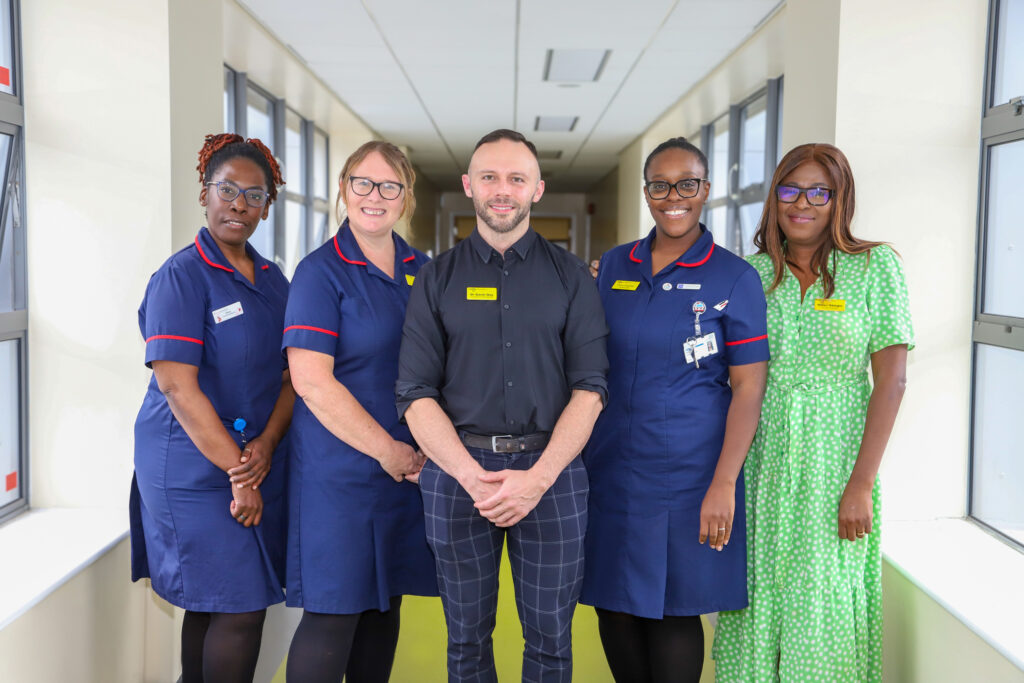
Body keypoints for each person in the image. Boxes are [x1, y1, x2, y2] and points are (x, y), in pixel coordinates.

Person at [396, 129, 609, 682]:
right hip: (457, 471)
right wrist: (470, 477)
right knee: (466, 640)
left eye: (517, 178)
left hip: (553, 473)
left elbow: (591, 390)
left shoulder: (572, 278)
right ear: (469, 185)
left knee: (550, 642)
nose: (502, 189)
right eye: (489, 176)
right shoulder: (435, 278)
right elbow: (415, 395)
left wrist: (537, 479)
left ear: (537, 188)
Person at [713, 143, 913, 682]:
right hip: (761, 465)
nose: (802, 202)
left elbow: (891, 384)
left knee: (822, 607)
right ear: (773, 198)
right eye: (789, 189)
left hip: (835, 469)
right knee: (754, 602)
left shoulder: (875, 266)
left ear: (839, 200)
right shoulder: (747, 275)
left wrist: (860, 485)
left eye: (818, 191)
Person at [579, 137, 769, 683]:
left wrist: (724, 483)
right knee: (613, 606)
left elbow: (749, 387)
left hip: (690, 479)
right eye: (660, 186)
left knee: (674, 611)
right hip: (610, 473)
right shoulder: (615, 265)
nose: (673, 197)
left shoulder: (734, 277)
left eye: (687, 184)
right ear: (647, 193)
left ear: (706, 190)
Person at [130, 133, 292, 683]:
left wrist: (266, 443)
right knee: (239, 604)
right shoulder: (181, 277)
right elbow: (178, 388)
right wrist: (240, 474)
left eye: (253, 195)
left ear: (267, 207)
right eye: (228, 190)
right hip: (190, 462)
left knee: (215, 600)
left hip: (249, 454)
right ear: (205, 193)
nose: (238, 205)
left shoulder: (274, 281)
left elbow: (296, 374)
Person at [282, 141, 438, 683]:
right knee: (334, 614)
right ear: (344, 189)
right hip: (341, 476)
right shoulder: (320, 273)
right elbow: (311, 381)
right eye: (363, 183)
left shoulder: (423, 269)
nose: (375, 196)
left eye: (389, 186)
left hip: (406, 476)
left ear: (405, 197)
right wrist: (387, 451)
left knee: (384, 607)